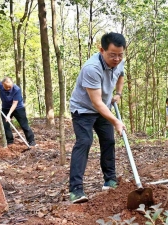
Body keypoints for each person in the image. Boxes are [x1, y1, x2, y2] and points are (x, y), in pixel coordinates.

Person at [68, 32, 126, 204]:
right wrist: (115, 120)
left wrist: (118, 94)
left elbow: (121, 74)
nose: (116, 59)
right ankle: (76, 190)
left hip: (104, 107)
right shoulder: (91, 68)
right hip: (84, 109)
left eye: (120, 54)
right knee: (84, 142)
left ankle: (110, 180)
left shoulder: (119, 61)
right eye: (112, 55)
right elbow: (96, 102)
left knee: (109, 141)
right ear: (102, 50)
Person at [0, 78, 36, 146]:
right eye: (6, 87)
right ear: (2, 84)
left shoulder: (16, 89)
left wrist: (8, 115)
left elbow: (15, 103)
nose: (8, 88)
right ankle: (10, 142)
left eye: (10, 87)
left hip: (18, 108)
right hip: (5, 108)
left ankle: (31, 141)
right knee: (5, 125)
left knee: (24, 125)